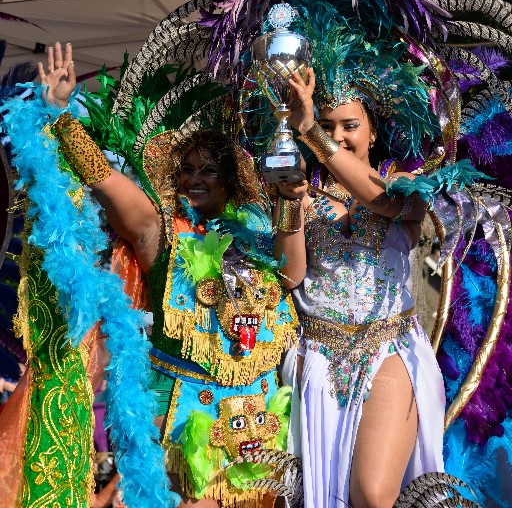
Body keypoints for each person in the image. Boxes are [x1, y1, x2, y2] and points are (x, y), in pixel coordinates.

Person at [37, 42, 300, 508]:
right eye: (186, 170)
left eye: (208, 170)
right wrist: (62, 118)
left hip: (258, 419)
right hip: (183, 414)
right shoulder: (164, 234)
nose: (194, 178)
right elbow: (109, 186)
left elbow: (292, 272)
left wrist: (291, 192)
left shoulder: (260, 237)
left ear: (233, 178)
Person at [275, 68, 446, 508]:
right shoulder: (304, 194)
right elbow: (290, 275)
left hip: (389, 349)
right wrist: (288, 204)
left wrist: (311, 131)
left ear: (372, 132)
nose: (341, 135)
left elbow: (381, 202)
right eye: (329, 125)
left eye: (350, 126)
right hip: (318, 360)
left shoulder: (406, 186)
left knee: (371, 495)